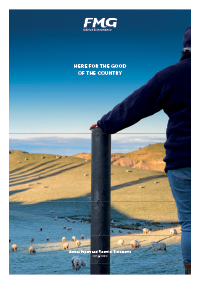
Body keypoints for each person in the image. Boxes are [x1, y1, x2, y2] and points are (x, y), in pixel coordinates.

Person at [89, 26, 191, 275]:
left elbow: (135, 105)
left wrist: (105, 123)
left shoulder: (170, 76)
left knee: (191, 222)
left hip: (184, 159)